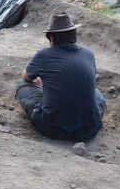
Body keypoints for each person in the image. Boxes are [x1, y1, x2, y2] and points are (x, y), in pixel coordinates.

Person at [14, 12, 106, 141]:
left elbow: (26, 77)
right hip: (89, 129)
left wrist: (43, 82)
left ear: (51, 38)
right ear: (74, 34)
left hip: (51, 128)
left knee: (22, 85)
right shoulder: (88, 54)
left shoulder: (44, 55)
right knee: (97, 94)